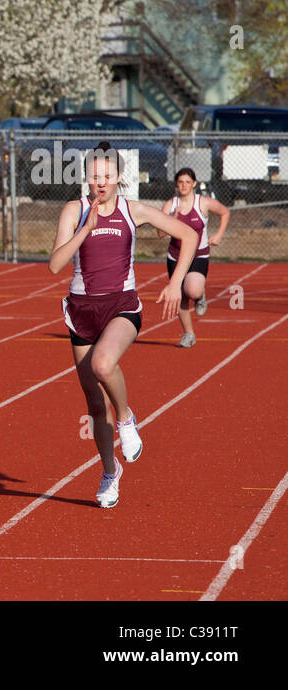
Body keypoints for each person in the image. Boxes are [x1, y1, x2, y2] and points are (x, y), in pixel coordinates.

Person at [48, 142, 197, 509]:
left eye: (106, 176)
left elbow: (189, 236)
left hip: (122, 306)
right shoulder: (74, 210)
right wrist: (85, 229)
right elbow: (54, 265)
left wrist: (175, 282)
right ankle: (110, 472)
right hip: (82, 310)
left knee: (103, 364)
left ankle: (127, 418)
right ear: (86, 178)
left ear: (118, 177)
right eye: (93, 176)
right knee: (94, 404)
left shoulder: (134, 210)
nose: (100, 182)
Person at [157, 168, 230, 347]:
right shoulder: (170, 205)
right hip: (175, 256)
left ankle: (200, 296)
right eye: (180, 182)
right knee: (179, 295)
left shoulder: (202, 203)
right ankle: (188, 334)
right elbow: (159, 233)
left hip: (198, 254)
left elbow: (225, 212)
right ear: (176, 184)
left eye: (187, 182)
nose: (184, 185)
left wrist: (219, 235)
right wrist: (170, 221)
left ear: (194, 184)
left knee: (193, 290)